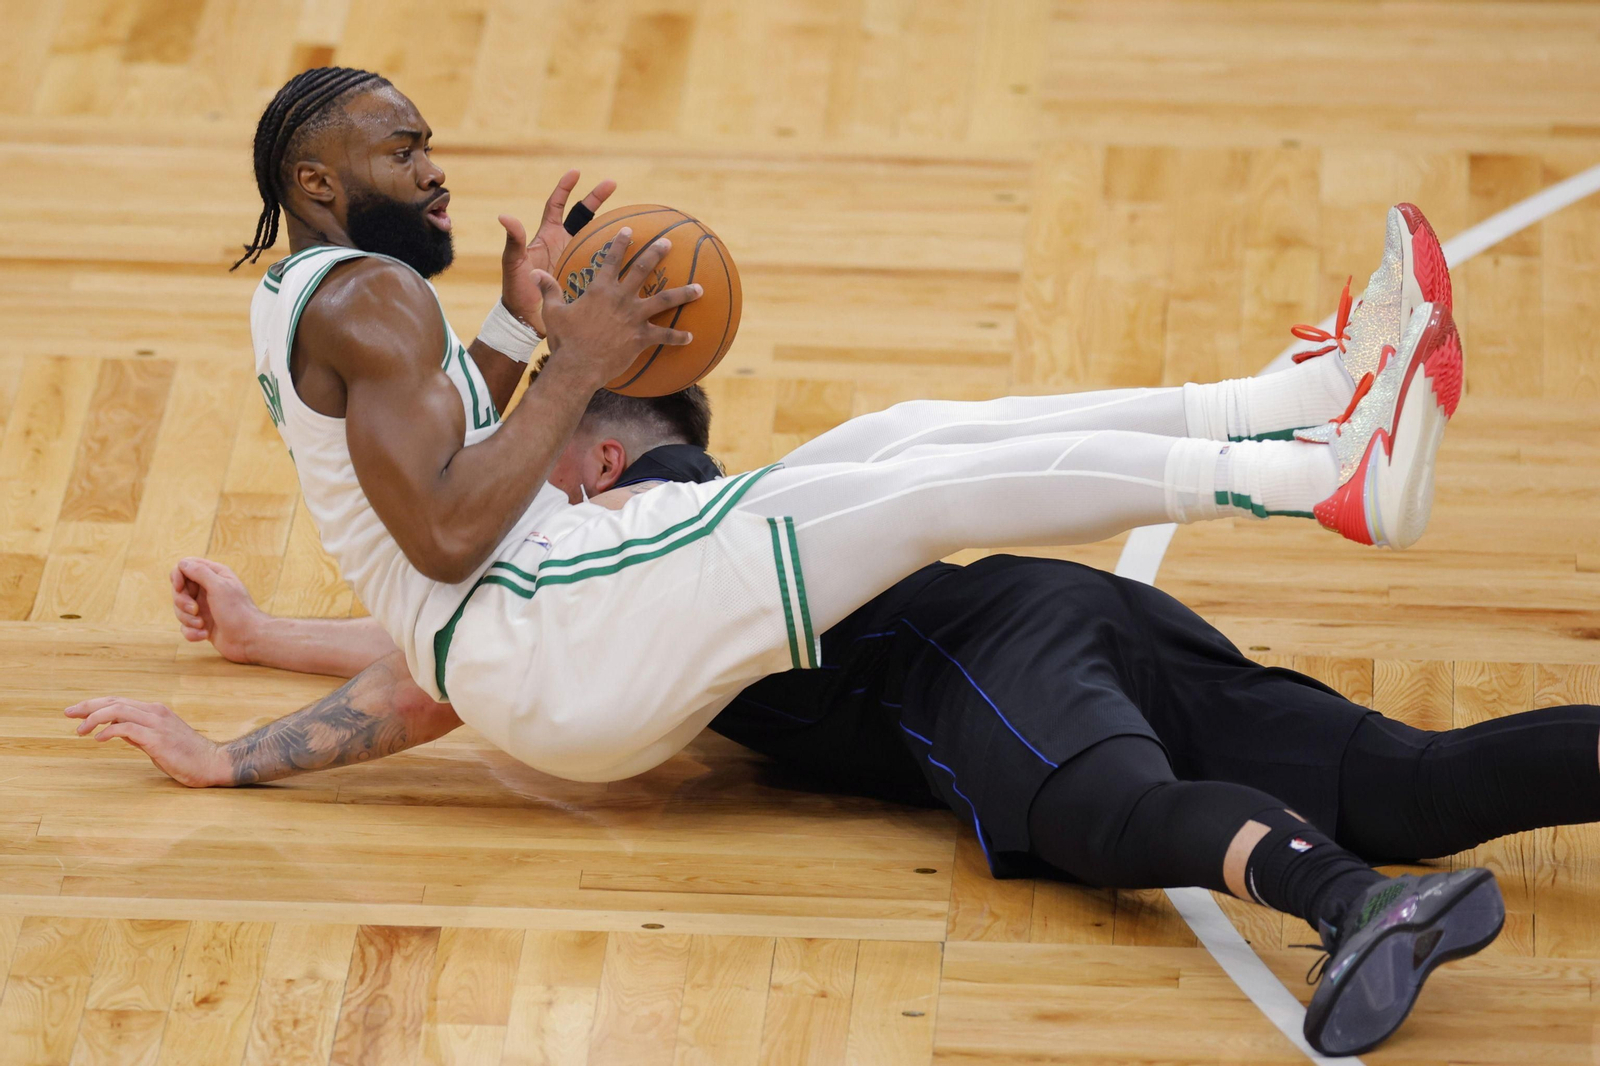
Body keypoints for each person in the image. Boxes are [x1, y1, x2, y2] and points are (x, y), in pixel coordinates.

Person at [69, 63, 1479, 1054]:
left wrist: (236, 740)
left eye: (431, 140)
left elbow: (429, 527)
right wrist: (574, 361)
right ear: (317, 182)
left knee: (908, 441)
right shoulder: (371, 301)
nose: (433, 166)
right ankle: (1320, 477)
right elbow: (449, 526)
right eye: (399, 152)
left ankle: (1295, 406)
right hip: (563, 625)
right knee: (924, 486)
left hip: (543, 652)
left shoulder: (318, 300)